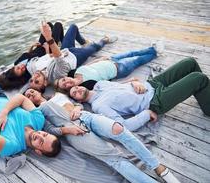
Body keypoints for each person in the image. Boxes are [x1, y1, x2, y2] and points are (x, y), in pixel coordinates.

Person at [23, 89, 180, 183]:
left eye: (31, 90)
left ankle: (158, 167)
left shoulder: (56, 94)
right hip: (74, 132)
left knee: (119, 129)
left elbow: (76, 102)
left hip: (85, 116)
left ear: (39, 90)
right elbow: (50, 130)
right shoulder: (38, 113)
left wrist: (77, 107)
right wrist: (67, 130)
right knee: (114, 158)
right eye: (28, 95)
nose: (30, 93)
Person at [69, 58, 210, 123]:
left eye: (75, 88)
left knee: (189, 63)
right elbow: (123, 125)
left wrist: (135, 82)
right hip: (155, 101)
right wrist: (146, 114)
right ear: (79, 100)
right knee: (198, 78)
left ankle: (205, 97)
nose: (76, 90)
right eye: (74, 94)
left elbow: (123, 85)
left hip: (152, 84)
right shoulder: (99, 106)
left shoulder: (100, 84)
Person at [28, 22, 117, 92]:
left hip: (64, 50)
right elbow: (58, 58)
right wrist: (48, 38)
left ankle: (83, 42)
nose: (34, 78)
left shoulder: (35, 69)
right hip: (75, 57)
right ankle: (106, 40)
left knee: (73, 27)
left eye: (31, 80)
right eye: (37, 81)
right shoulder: (56, 76)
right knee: (95, 47)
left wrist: (48, 51)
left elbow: (48, 56)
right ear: (45, 83)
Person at [54, 45, 158, 91]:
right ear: (67, 89)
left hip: (110, 59)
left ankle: (152, 49)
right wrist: (129, 81)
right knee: (138, 60)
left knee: (132, 52)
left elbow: (89, 66)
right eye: (65, 85)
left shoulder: (73, 72)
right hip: (119, 69)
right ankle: (154, 54)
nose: (67, 82)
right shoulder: (86, 86)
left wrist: (100, 59)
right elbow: (108, 86)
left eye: (64, 80)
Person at [0, 22, 64, 90]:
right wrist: (47, 47)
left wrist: (32, 46)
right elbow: (44, 61)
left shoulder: (17, 62)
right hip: (47, 50)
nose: (22, 67)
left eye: (18, 68)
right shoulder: (29, 71)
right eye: (22, 70)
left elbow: (27, 55)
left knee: (48, 25)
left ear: (14, 67)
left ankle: (60, 41)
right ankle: (63, 43)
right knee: (58, 25)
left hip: (39, 47)